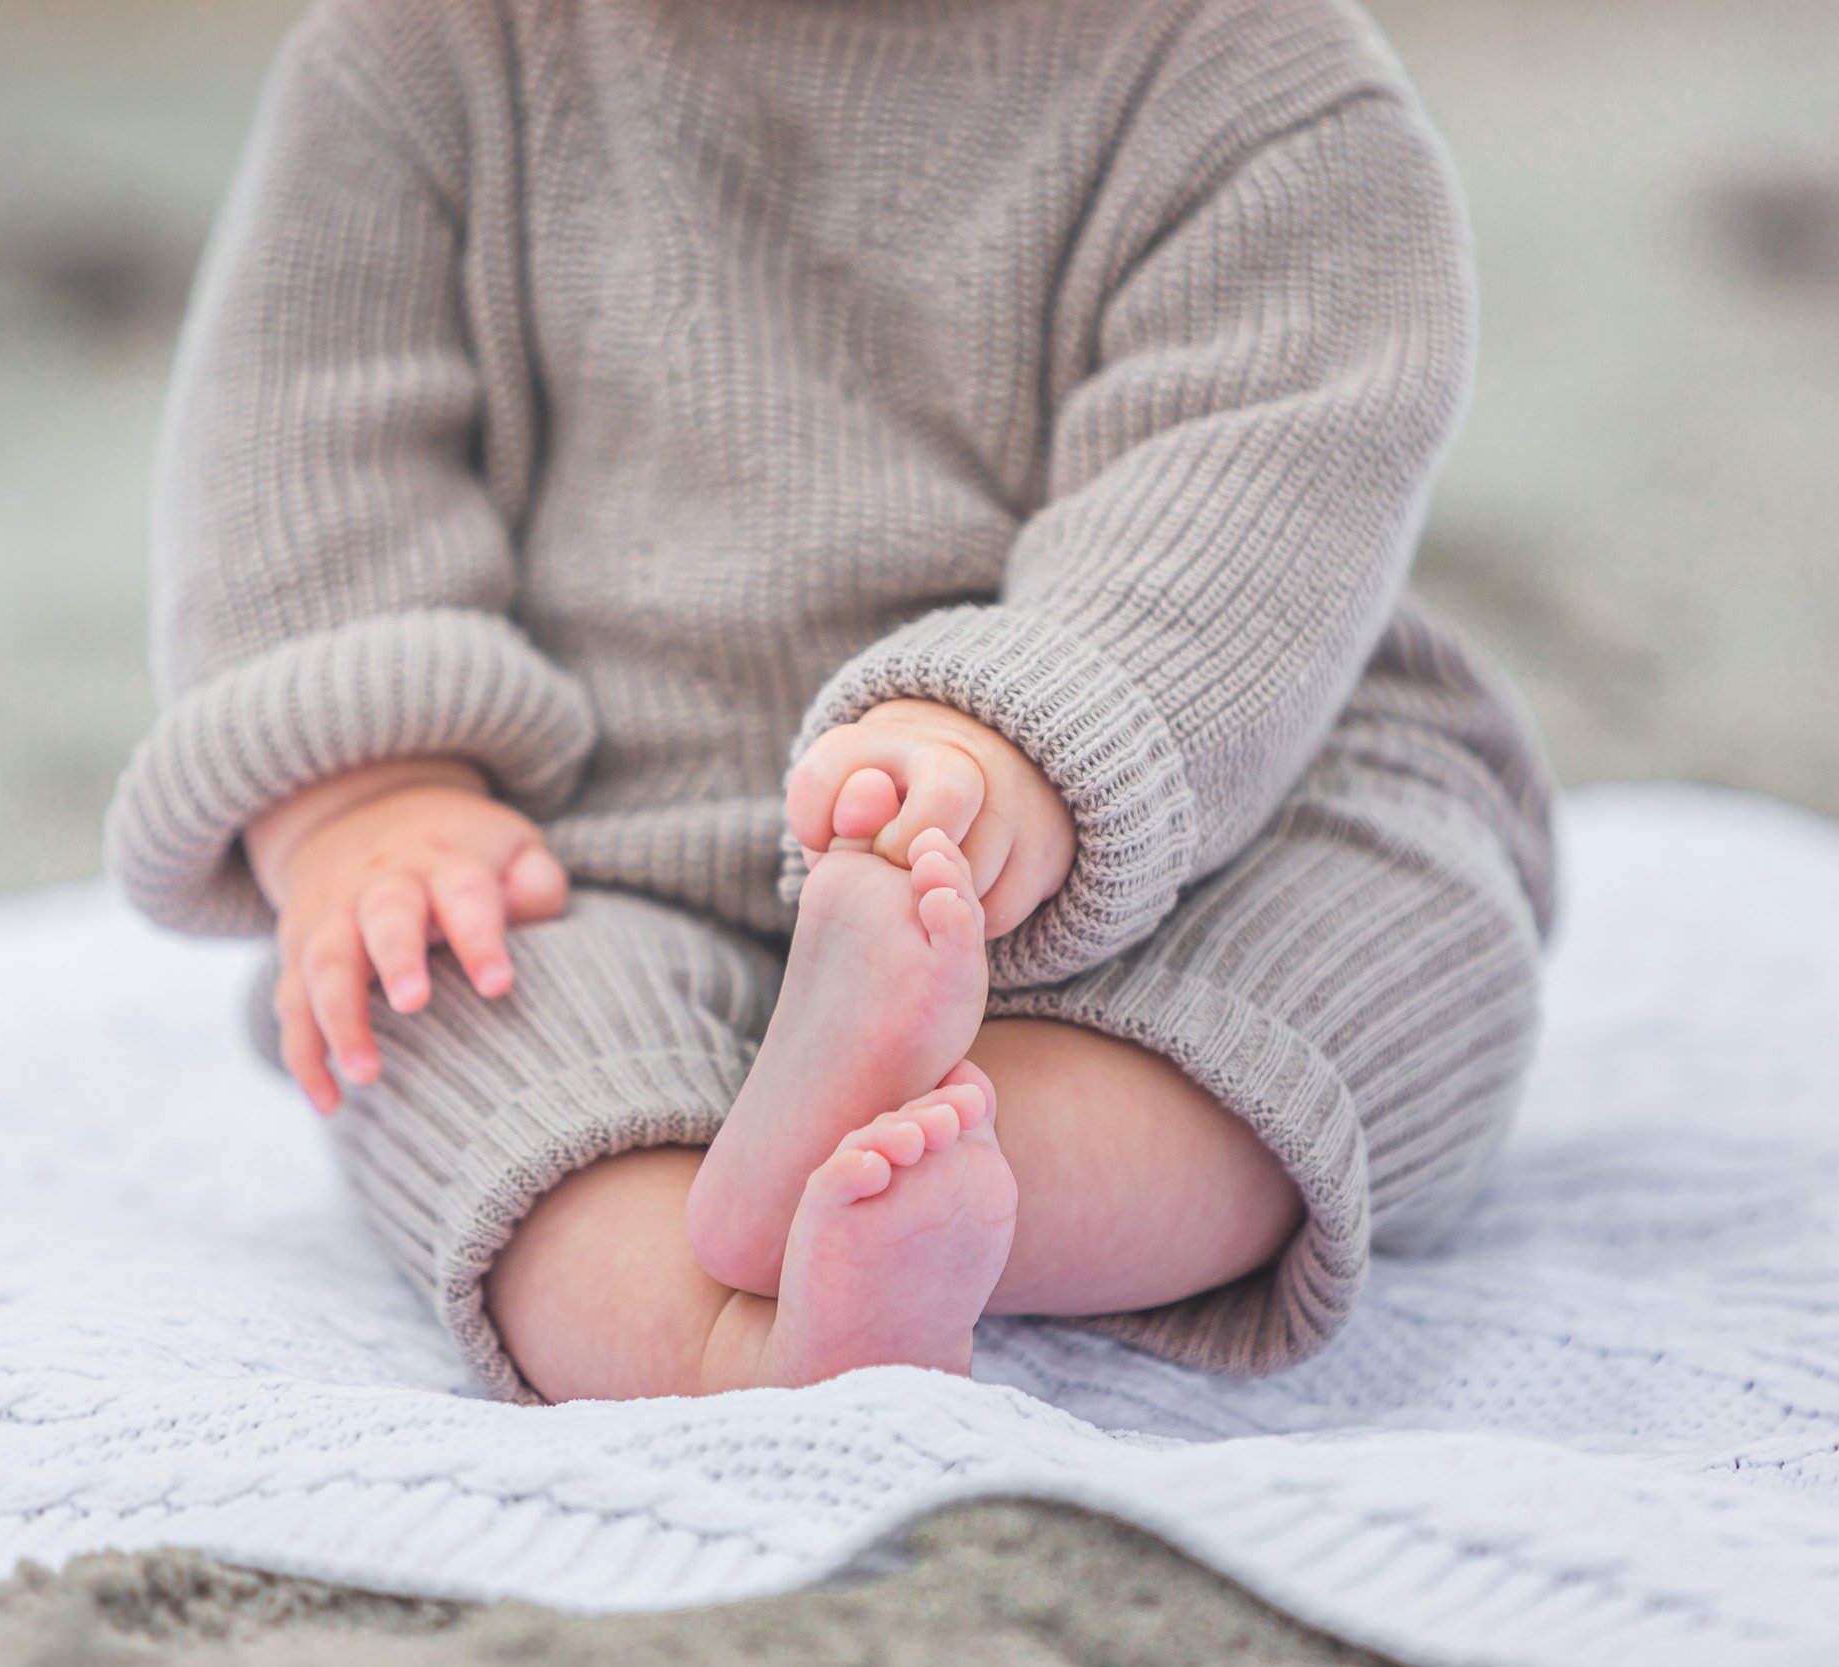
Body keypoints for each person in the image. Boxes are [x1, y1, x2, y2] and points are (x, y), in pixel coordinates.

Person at [105, 0, 1557, 1405]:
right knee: (420, 990)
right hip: (593, 833)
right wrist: (371, 798)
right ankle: (729, 1331)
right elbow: (303, 461)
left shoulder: (1258, 80)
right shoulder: (426, 53)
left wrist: (1016, 749)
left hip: (1174, 803)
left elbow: (1253, 498)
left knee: (1404, 943)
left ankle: (930, 1170)